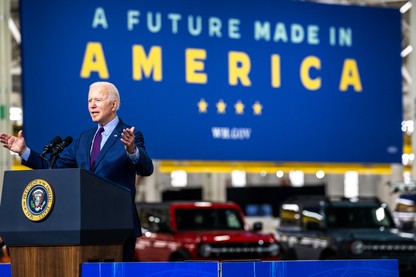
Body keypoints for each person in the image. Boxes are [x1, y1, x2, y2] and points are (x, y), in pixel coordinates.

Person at [0, 81, 154, 261]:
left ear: (114, 104)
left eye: (98, 100)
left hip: (118, 224)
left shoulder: (129, 135)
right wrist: (24, 152)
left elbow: (146, 169)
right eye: (89, 101)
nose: (92, 105)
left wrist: (132, 150)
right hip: (84, 224)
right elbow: (55, 168)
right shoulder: (84, 138)